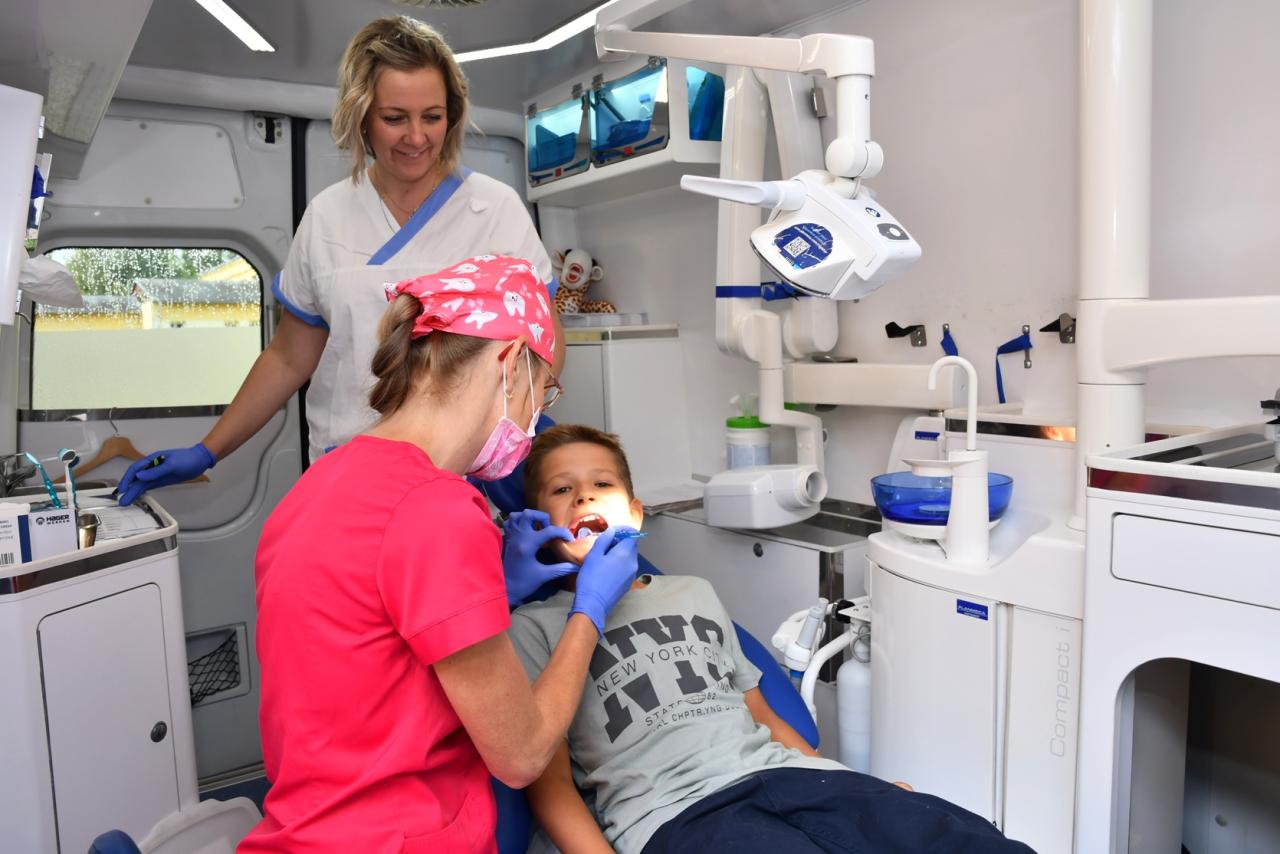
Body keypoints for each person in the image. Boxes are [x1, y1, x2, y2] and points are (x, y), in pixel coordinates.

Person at [237, 258, 636, 853]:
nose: (534, 419)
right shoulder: (438, 509)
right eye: (544, 390)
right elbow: (522, 755)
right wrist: (590, 609)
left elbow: (370, 647)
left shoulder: (321, 483)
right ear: (511, 364)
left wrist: (497, 589)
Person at [506, 425, 1036, 854]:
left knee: (960, 839)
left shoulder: (692, 592)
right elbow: (550, 788)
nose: (585, 495)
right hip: (677, 813)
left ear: (637, 513)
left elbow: (762, 716)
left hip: (786, 778)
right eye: (562, 489)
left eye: (602, 484)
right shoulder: (533, 628)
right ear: (539, 526)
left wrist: (854, 787)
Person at [117, 15, 563, 504]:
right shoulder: (328, 215)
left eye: (432, 117)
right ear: (362, 116)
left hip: (463, 472)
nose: (416, 137)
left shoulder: (494, 209)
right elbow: (289, 358)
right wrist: (207, 450)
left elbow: (545, 345)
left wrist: (502, 444)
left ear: (452, 116)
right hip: (351, 467)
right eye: (395, 118)